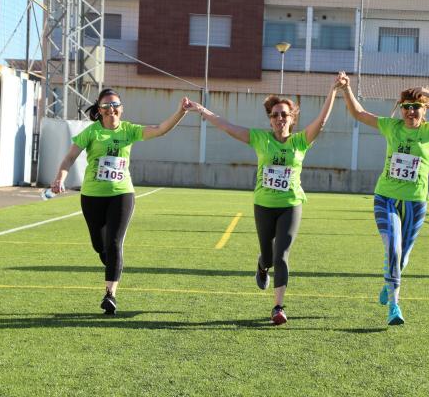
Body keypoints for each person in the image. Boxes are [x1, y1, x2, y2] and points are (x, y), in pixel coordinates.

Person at [184, 79, 342, 325]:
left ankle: (278, 306)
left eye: (284, 115)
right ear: (270, 119)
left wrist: (333, 91)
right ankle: (261, 264)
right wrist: (201, 109)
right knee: (268, 257)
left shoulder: (300, 142)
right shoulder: (260, 139)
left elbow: (321, 121)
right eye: (275, 115)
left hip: (290, 204)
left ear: (292, 118)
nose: (280, 118)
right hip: (264, 205)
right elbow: (227, 126)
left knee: (282, 255)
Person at [337, 71, 429, 325]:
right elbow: (359, 114)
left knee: (403, 255)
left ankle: (389, 283)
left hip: (416, 202)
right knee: (392, 247)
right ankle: (394, 307)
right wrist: (346, 89)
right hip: (386, 197)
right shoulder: (391, 126)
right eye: (406, 107)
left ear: (424, 110)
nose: (410, 112)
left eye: (416, 107)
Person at [50, 88, 189, 315]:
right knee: (100, 245)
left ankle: (110, 294)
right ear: (100, 110)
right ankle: (111, 263)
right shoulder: (92, 132)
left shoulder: (129, 130)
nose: (111, 109)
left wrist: (180, 112)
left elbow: (160, 129)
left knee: (114, 242)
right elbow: (69, 158)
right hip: (92, 196)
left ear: (121, 109)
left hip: (121, 194)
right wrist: (59, 178)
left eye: (115, 104)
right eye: (106, 106)